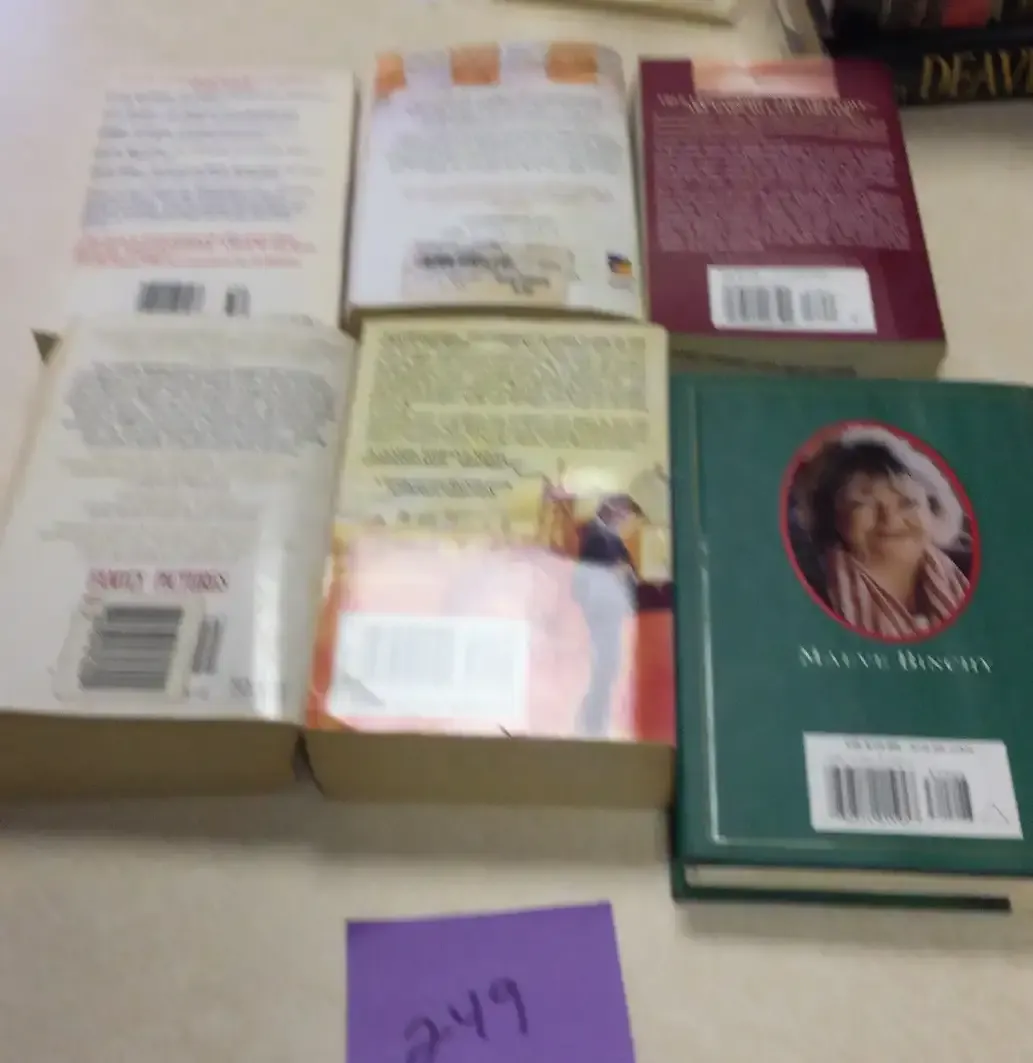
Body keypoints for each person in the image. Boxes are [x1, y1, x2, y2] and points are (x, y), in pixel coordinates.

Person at [797, 427, 970, 639]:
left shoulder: (961, 572)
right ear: (832, 519)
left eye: (908, 502)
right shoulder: (813, 593)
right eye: (864, 504)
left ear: (932, 510)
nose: (891, 519)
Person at [571, 494, 644, 737]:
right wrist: (625, 574)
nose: (628, 525)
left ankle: (594, 722)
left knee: (608, 669)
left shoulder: (608, 537)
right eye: (627, 518)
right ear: (617, 512)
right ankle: (592, 724)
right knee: (604, 668)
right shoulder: (597, 537)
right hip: (602, 611)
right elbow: (616, 572)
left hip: (609, 611)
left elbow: (625, 572)